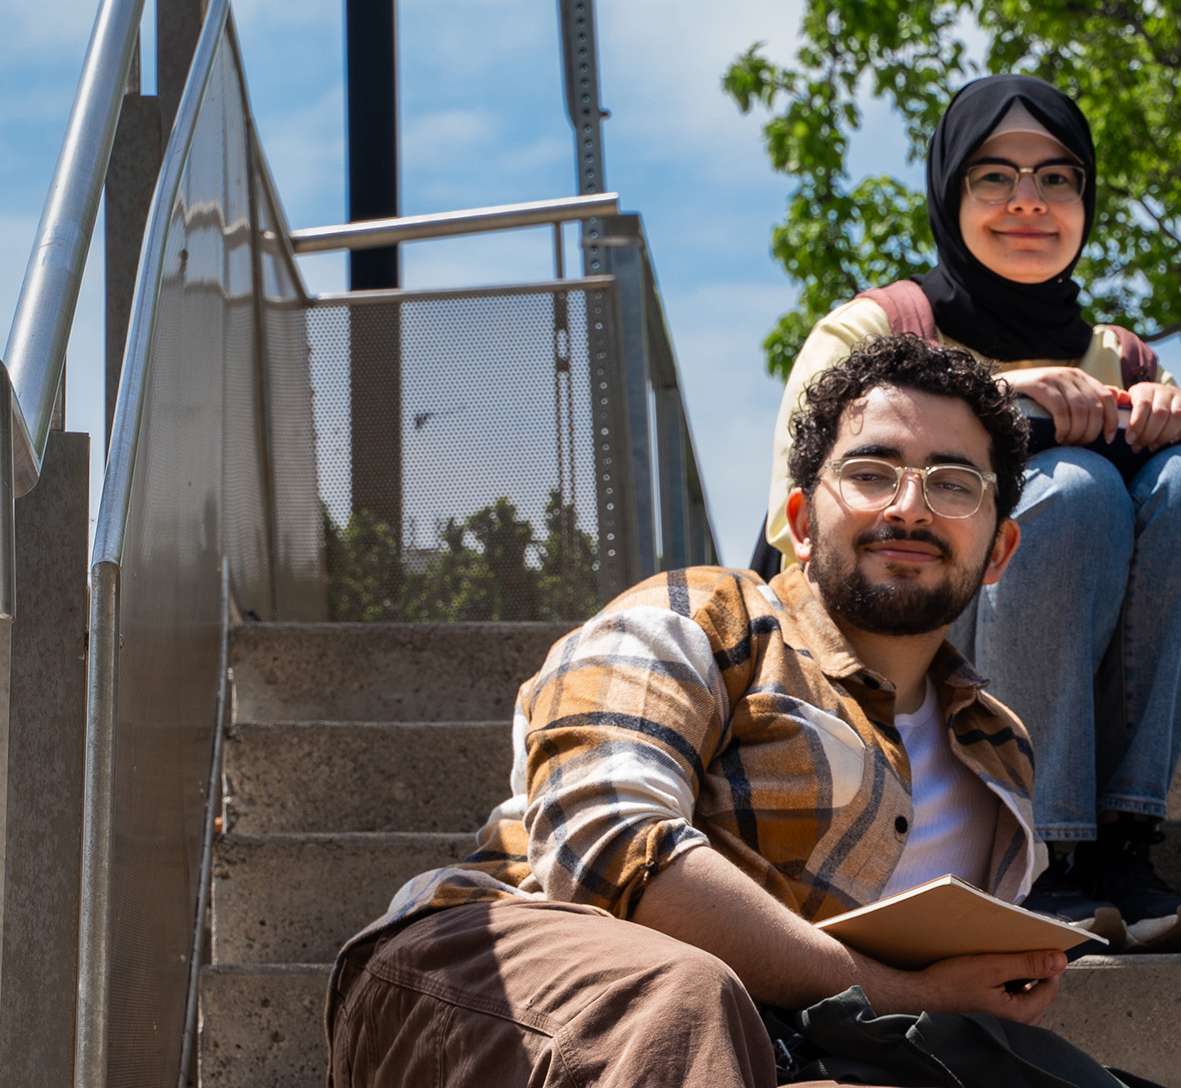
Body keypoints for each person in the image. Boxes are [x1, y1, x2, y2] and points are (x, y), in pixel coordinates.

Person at [331, 335, 1092, 1087]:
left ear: (1000, 549)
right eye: (870, 473)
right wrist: (910, 995)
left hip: (779, 1046)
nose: (909, 507)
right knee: (685, 997)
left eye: (954, 484)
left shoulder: (999, 751)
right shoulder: (696, 616)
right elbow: (609, 848)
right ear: (800, 522)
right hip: (488, 971)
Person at [758, 74, 1181, 955]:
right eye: (995, 176)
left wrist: (1177, 430)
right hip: (908, 643)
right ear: (950, 193)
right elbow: (795, 524)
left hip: (1078, 666)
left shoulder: (1121, 357)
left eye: (1057, 178)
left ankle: (1121, 842)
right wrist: (990, 399)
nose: (1029, 201)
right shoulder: (875, 331)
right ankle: (1038, 848)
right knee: (1073, 489)